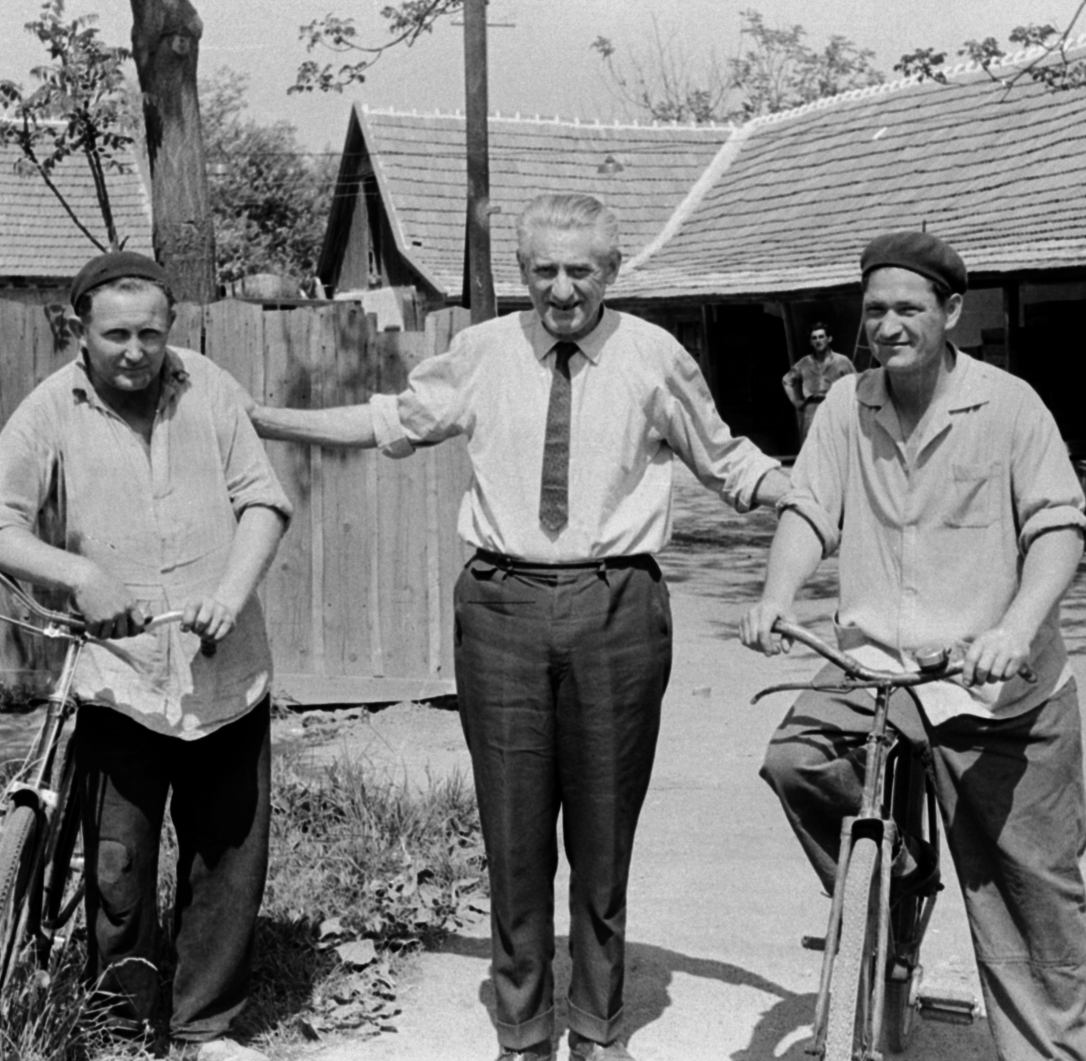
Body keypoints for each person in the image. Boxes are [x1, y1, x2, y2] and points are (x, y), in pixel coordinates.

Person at [248, 193, 789, 1061]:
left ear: (612, 272)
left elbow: (727, 460)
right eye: (544, 270)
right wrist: (266, 419)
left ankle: (600, 1027)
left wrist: (806, 494)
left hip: (618, 606)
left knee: (605, 831)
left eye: (581, 270)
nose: (562, 289)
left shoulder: (654, 356)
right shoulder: (483, 351)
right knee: (513, 831)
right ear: (523, 273)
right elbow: (391, 420)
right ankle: (523, 1031)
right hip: (500, 605)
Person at [741, 231, 1086, 1061]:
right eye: (875, 311)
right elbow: (808, 511)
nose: (889, 326)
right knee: (796, 758)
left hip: (995, 688)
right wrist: (774, 596)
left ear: (952, 313)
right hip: (877, 673)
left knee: (1030, 901)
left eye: (908, 307)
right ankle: (889, 890)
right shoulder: (844, 404)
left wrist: (1014, 627)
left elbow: (1058, 527)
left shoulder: (1009, 406)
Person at [0, 250, 290, 1061]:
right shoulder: (49, 410)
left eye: (150, 332)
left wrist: (233, 592)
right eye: (116, 336)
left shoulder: (207, 388)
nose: (135, 351)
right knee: (117, 868)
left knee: (228, 856)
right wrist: (79, 573)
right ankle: (118, 1029)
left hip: (225, 672)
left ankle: (208, 1025)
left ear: (170, 327)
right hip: (117, 681)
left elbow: (265, 501)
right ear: (80, 331)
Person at [781, 321, 856, 447]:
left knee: (837, 446)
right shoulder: (804, 363)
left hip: (835, 407)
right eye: (814, 338)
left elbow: (854, 384)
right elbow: (787, 380)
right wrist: (797, 402)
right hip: (811, 408)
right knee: (810, 447)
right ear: (811, 342)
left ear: (829, 339)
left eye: (821, 337)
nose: (818, 340)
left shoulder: (842, 361)